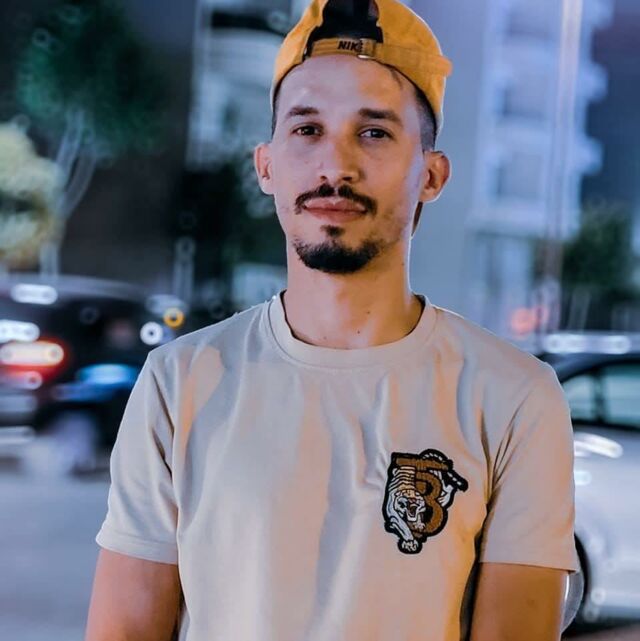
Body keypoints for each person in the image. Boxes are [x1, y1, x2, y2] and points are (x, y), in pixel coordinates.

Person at [85, 0, 580, 639]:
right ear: (266, 165)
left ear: (431, 174)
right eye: (307, 129)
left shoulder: (513, 397)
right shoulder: (179, 383)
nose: (335, 166)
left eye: (374, 132)